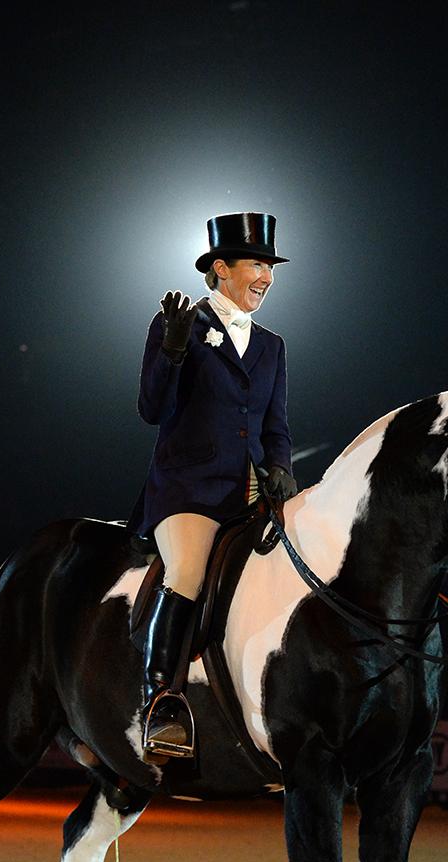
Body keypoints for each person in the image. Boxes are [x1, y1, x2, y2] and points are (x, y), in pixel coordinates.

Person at [129, 212, 298, 758]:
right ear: (222, 269)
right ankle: (161, 701)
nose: (267, 277)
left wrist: (282, 467)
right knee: (186, 572)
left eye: (270, 266)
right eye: (257, 264)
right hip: (189, 489)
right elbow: (151, 408)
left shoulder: (272, 345)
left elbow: (276, 425)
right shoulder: (180, 326)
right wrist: (173, 352)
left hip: (251, 493)